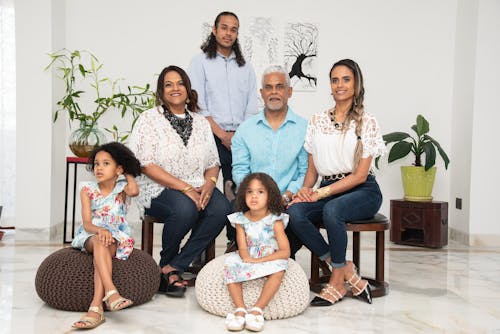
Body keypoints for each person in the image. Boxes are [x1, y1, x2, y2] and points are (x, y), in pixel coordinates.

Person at [287, 59, 386, 306]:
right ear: (330, 86)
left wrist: (320, 194)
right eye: (335, 80)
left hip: (363, 190)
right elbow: (312, 172)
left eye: (346, 79)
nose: (339, 85)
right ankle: (342, 269)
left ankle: (336, 283)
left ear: (356, 84)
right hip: (328, 187)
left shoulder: (367, 122)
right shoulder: (317, 121)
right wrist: (304, 192)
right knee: (296, 212)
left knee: (333, 210)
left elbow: (360, 175)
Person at [128, 65, 231, 298]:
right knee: (185, 208)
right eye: (168, 84)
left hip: (197, 183)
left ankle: (174, 266)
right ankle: (167, 269)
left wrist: (209, 183)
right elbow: (146, 164)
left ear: (187, 88)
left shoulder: (202, 123)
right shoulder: (149, 119)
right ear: (161, 91)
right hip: (157, 187)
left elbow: (213, 162)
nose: (175, 88)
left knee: (222, 208)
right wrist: (185, 188)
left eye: (180, 83)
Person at [188, 11, 258, 252]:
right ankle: (199, 248)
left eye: (234, 29)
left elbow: (251, 106)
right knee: (205, 189)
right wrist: (221, 134)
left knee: (237, 189)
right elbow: (197, 103)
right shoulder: (200, 62)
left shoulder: (246, 67)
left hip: (240, 137)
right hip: (209, 136)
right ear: (214, 30)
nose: (229, 33)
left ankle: (234, 242)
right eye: (224, 28)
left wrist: (238, 136)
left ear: (237, 34)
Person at [231, 65, 308, 257]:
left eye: (279, 86)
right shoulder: (245, 130)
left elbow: (304, 171)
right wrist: (256, 196)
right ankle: (248, 254)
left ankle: (276, 259)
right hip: (253, 200)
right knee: (232, 212)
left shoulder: (305, 128)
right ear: (262, 93)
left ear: (289, 92)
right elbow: (240, 171)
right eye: (269, 87)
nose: (274, 92)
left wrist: (288, 195)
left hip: (288, 200)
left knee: (299, 218)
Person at [71, 142, 141, 330]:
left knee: (103, 247)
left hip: (115, 236)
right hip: (91, 234)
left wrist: (126, 171)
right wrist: (99, 230)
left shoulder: (123, 189)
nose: (99, 168)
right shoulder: (87, 189)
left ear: (118, 169)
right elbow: (86, 223)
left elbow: (134, 190)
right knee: (100, 241)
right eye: (96, 164)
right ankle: (111, 293)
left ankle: (95, 309)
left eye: (106, 163)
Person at [223, 173, 290, 332]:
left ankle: (257, 309)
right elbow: (243, 247)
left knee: (280, 268)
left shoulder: (275, 220)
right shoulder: (240, 219)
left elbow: (285, 251)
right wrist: (246, 258)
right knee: (230, 264)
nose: (254, 196)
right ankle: (240, 309)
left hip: (270, 256)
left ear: (270, 196)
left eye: (260, 192)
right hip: (251, 255)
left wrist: (260, 261)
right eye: (249, 192)